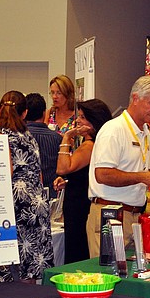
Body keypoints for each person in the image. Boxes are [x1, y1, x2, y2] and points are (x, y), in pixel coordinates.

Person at [87, 75, 150, 256]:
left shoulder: (145, 132)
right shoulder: (114, 130)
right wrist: (144, 177)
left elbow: (133, 171)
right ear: (135, 98)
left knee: (129, 277)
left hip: (134, 215)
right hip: (110, 214)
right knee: (108, 276)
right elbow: (103, 175)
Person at [0, 90, 54, 283]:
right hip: (36, 204)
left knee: (8, 269)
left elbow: (3, 173)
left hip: (13, 205)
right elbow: (38, 172)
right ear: (25, 113)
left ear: (0, 108)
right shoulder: (28, 136)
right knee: (31, 268)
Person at [53, 98, 112, 263]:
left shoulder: (89, 145)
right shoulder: (92, 144)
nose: (78, 120)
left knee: (77, 251)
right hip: (79, 202)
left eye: (83, 117)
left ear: (94, 122)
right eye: (79, 116)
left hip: (79, 207)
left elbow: (63, 168)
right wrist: (68, 181)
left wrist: (66, 138)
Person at [25, 92, 61, 195]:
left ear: (25, 112)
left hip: (25, 195)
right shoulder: (57, 138)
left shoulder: (19, 137)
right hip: (51, 194)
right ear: (44, 113)